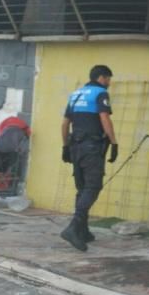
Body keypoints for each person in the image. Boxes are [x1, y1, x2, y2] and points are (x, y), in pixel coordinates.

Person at [59, 64, 118, 251]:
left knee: (82, 187)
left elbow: (64, 124)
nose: (108, 83)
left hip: (75, 146)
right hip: (91, 148)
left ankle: (83, 231)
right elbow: (104, 118)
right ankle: (74, 227)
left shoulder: (76, 95)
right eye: (108, 79)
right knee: (93, 185)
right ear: (102, 78)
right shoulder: (100, 93)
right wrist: (114, 142)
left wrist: (65, 146)